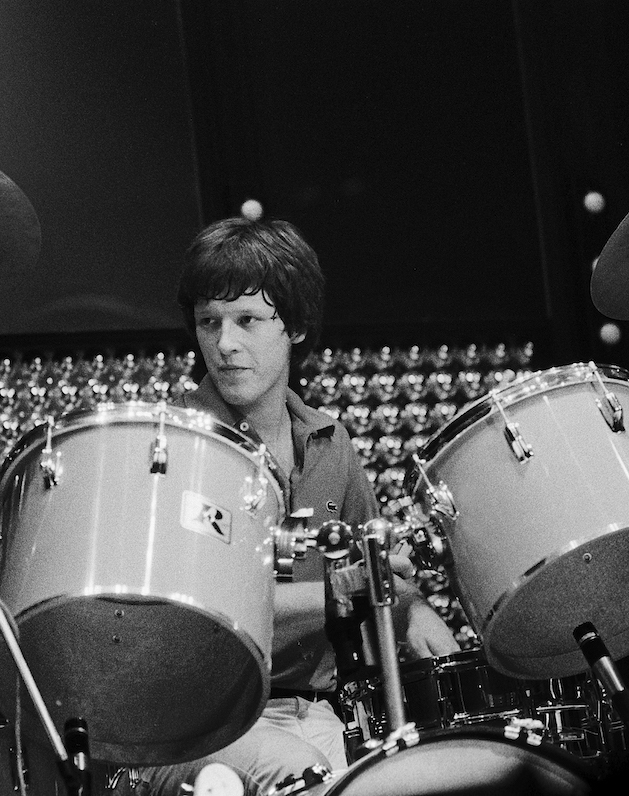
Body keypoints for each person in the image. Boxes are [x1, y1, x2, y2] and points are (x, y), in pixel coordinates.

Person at [120, 215, 460, 796]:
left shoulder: (332, 442)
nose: (224, 344)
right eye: (209, 322)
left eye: (247, 320)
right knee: (306, 774)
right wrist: (342, 591)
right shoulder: (174, 444)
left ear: (296, 327)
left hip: (316, 714)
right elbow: (203, 622)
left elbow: (368, 565)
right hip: (194, 725)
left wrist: (408, 606)